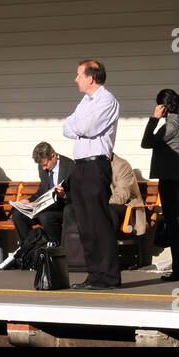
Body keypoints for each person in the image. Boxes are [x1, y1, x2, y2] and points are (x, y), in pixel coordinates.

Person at [62, 59, 122, 290]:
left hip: (96, 165)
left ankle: (109, 276)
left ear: (91, 77)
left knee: (98, 222)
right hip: (79, 166)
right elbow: (67, 126)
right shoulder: (85, 101)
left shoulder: (107, 100)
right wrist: (78, 126)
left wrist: (78, 126)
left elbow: (87, 128)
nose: (75, 79)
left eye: (78, 75)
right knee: (85, 225)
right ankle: (94, 275)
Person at [142, 88, 179, 282]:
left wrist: (154, 119)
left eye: (159, 106)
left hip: (170, 178)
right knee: (177, 221)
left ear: (163, 107)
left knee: (175, 223)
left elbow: (146, 142)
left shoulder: (170, 126)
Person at [10, 142, 75, 250]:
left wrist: (64, 195)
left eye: (45, 164)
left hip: (64, 208)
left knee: (46, 217)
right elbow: (42, 191)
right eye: (41, 166)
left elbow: (79, 194)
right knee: (18, 215)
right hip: (45, 207)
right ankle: (29, 251)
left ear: (53, 156)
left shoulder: (70, 167)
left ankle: (58, 250)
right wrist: (29, 201)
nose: (44, 168)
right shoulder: (43, 168)